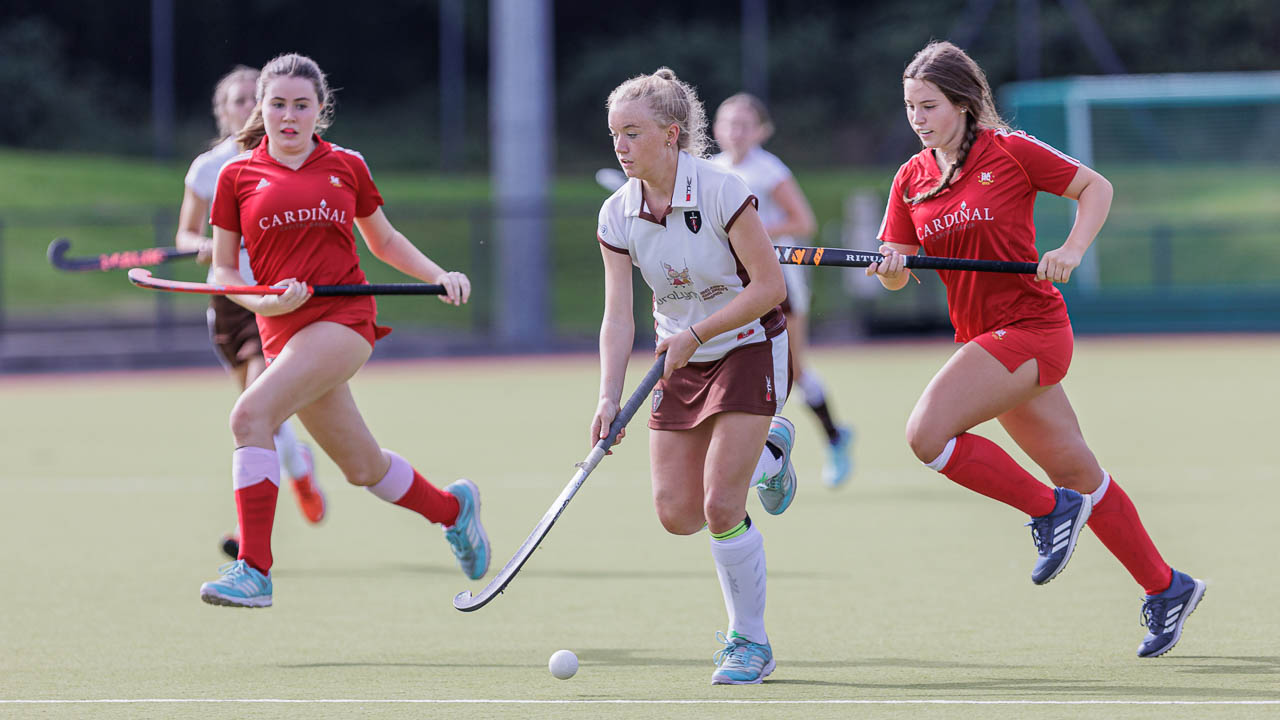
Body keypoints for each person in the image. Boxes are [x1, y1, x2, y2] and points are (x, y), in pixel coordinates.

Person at [867, 41, 1205, 657]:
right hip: (982, 340)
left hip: (1031, 329)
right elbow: (900, 271)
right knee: (1082, 474)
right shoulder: (911, 178)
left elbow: (1095, 188)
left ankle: (1050, 511)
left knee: (926, 436)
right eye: (911, 107)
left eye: (929, 105)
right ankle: (1168, 587)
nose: (917, 118)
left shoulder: (1010, 151)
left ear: (964, 104)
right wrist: (890, 266)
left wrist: (1072, 251)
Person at [197, 53, 489, 608]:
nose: (289, 116)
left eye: (301, 105)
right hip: (281, 330)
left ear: (320, 110)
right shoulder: (235, 175)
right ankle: (455, 511)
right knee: (364, 468)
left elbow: (382, 240)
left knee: (249, 416)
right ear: (261, 108)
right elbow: (224, 272)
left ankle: (254, 570)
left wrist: (437, 275)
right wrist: (261, 294)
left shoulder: (346, 165)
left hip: (343, 321)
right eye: (277, 104)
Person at [592, 68, 797, 684]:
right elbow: (618, 317)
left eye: (632, 134)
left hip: (748, 345)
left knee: (719, 503)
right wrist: (606, 396)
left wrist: (699, 334)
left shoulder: (721, 189)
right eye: (614, 135)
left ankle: (749, 642)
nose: (621, 147)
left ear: (671, 135)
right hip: (678, 359)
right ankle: (770, 453)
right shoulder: (617, 214)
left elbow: (770, 287)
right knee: (677, 513)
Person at [175, 65, 324, 560]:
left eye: (251, 99)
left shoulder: (284, 158)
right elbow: (186, 235)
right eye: (235, 101)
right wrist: (201, 247)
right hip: (230, 297)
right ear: (223, 111)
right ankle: (297, 463)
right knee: (261, 415)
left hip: (275, 295)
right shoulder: (209, 168)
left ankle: (250, 540)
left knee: (257, 407)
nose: (246, 107)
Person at [711, 93, 855, 488]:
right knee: (736, 365)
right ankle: (755, 456)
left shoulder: (769, 170)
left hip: (780, 282)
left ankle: (834, 438)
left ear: (761, 131)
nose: (735, 132)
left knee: (791, 370)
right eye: (727, 123)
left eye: (744, 124)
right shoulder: (711, 169)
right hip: (733, 284)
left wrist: (746, 231)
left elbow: (802, 220)